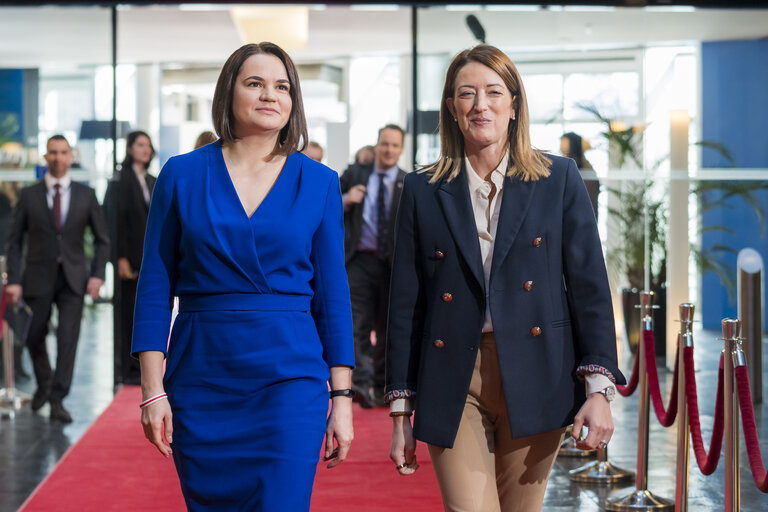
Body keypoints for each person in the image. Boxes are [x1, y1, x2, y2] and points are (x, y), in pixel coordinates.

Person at [385, 45, 625, 511]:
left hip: (538, 371)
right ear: (452, 109)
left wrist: (599, 390)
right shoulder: (421, 188)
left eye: (494, 92)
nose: (481, 105)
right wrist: (400, 411)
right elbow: (405, 305)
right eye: (467, 94)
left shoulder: (558, 178)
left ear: (514, 104)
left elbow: (590, 287)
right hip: (452, 375)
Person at [132, 42, 354, 511]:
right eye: (255, 83)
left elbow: (332, 299)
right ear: (228, 93)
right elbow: (154, 287)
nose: (270, 95)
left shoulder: (318, 181)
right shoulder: (180, 175)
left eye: (282, 86)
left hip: (290, 380)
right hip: (203, 377)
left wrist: (342, 397)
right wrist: (152, 392)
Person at [5, 135, 109, 423]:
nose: (58, 158)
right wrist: (13, 279)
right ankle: (44, 383)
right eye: (53, 152)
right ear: (45, 156)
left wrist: (98, 275)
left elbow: (102, 240)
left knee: (67, 340)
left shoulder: (86, 195)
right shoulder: (29, 196)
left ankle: (57, 398)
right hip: (38, 276)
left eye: (63, 153)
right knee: (33, 334)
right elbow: (13, 242)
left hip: (74, 278)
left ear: (70, 156)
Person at [340, 124, 406, 408]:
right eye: (385, 144)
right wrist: (345, 200)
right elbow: (324, 204)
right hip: (359, 261)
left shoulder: (409, 182)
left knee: (388, 327)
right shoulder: (355, 174)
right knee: (357, 325)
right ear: (376, 145)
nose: (389, 150)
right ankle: (363, 384)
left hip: (393, 266)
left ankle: (381, 385)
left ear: (401, 149)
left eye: (394, 145)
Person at [112, 130, 157, 385]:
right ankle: (127, 370)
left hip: (147, 256)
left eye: (148, 145)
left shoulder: (152, 179)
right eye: (140, 145)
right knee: (127, 314)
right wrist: (120, 258)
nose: (145, 149)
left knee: (144, 311)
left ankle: (139, 368)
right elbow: (116, 221)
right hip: (129, 256)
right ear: (130, 149)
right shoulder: (121, 180)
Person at [561, 131, 599, 218]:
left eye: (566, 152)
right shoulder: (572, 170)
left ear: (574, 150)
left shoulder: (586, 172)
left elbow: (587, 206)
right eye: (562, 152)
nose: (563, 157)